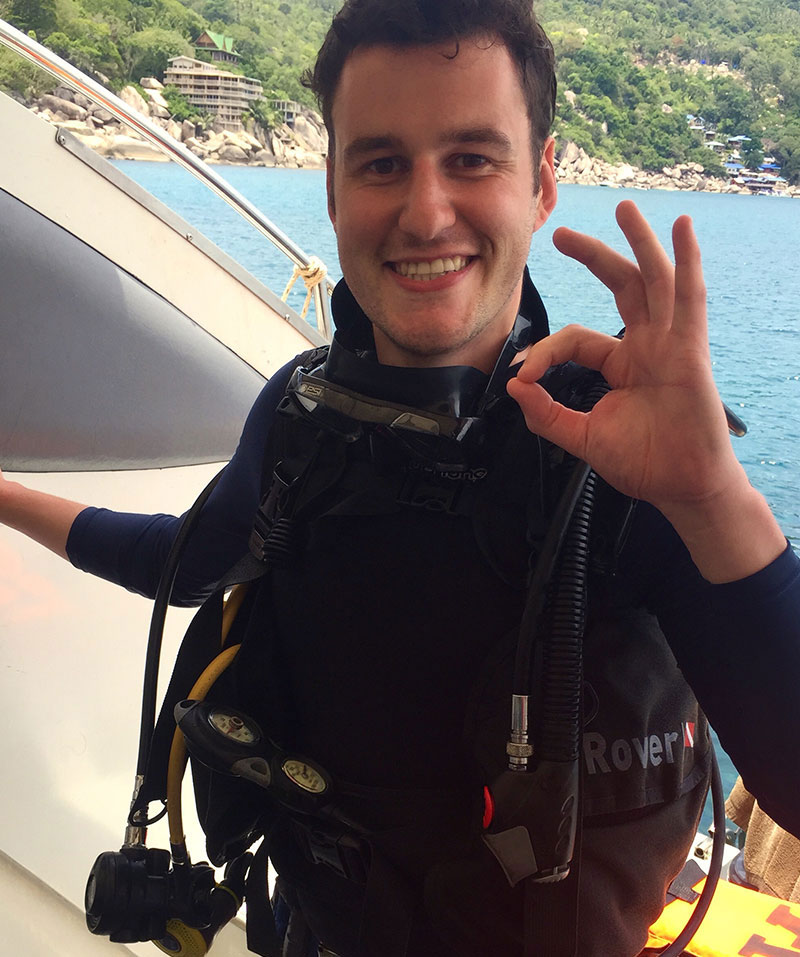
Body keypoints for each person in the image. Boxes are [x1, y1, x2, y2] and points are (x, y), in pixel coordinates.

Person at [1, 0, 799, 954]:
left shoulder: (617, 453)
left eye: (473, 158)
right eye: (381, 163)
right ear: (333, 189)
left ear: (543, 182)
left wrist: (713, 500)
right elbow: (184, 560)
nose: (426, 214)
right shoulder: (302, 418)